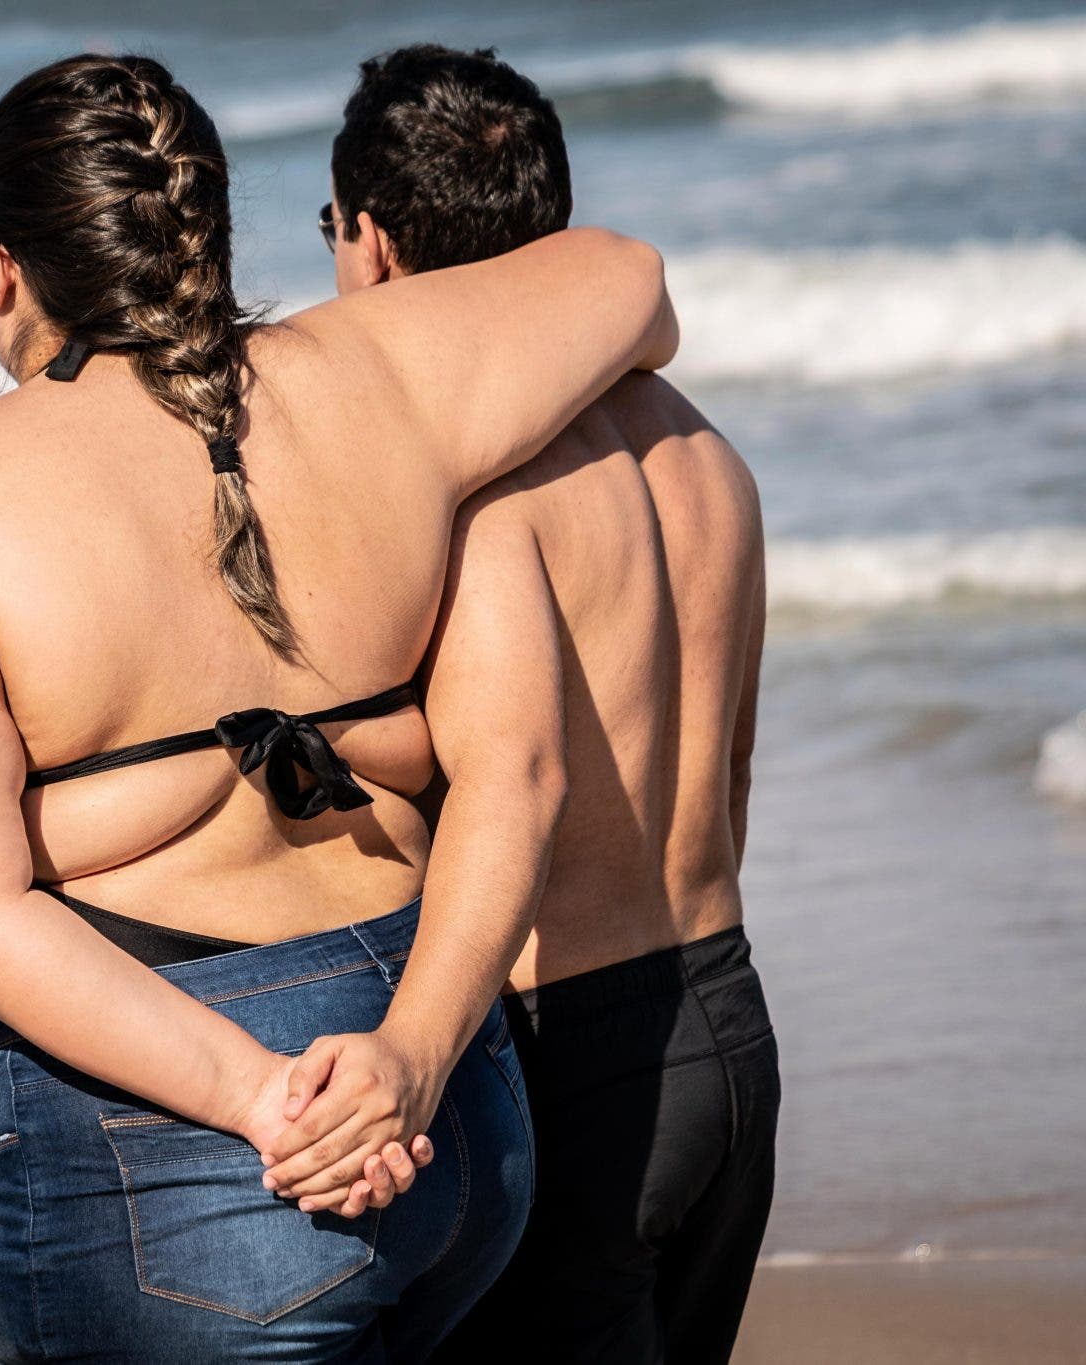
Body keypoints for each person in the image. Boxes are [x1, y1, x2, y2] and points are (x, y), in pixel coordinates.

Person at [0, 52, 677, 1362]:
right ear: (207, 226)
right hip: (453, 1118)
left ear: (1, 262)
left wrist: (268, 1100)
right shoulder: (382, 381)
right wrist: (405, 1061)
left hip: (194, 1170)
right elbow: (627, 278)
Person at [256, 45, 777, 1363]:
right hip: (725, 1019)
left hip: (569, 1055)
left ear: (369, 242)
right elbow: (729, 768)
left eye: (332, 230)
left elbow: (513, 776)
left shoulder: (484, 493)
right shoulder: (704, 448)